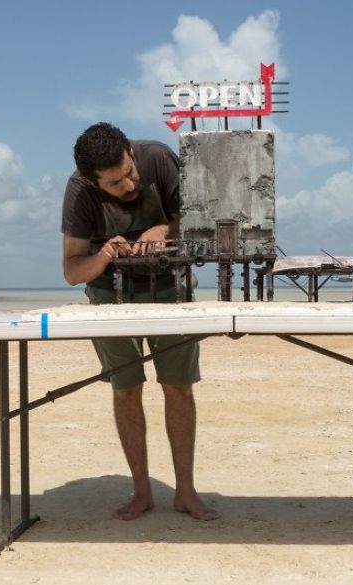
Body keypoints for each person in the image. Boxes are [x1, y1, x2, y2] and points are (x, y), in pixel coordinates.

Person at [61, 122, 219, 522]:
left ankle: (185, 492)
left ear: (131, 153)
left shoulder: (159, 158)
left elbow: (202, 223)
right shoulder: (79, 191)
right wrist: (105, 254)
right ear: (91, 180)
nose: (129, 186)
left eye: (130, 173)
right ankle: (142, 492)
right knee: (126, 390)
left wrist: (165, 227)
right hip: (109, 296)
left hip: (172, 287)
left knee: (178, 387)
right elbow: (73, 270)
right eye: (115, 184)